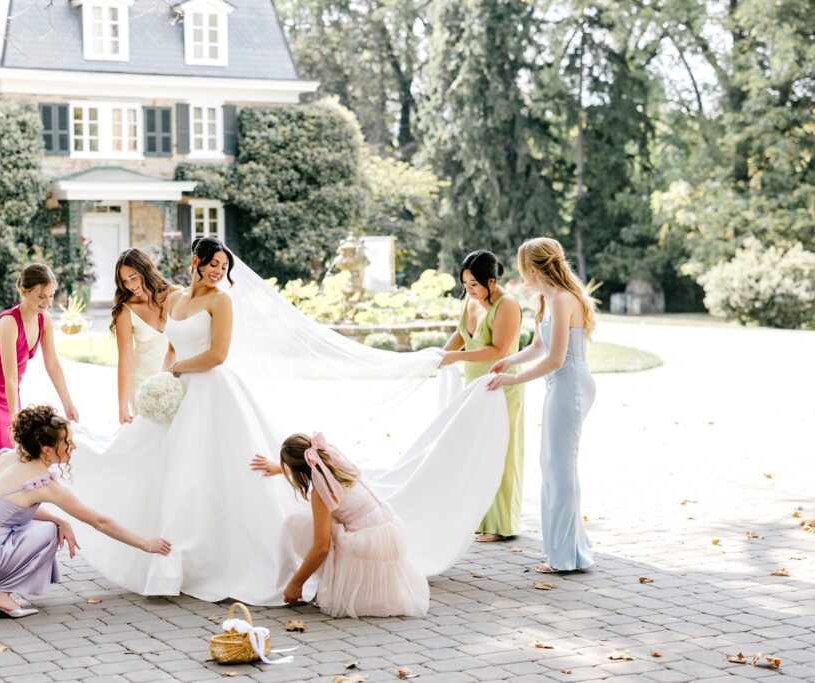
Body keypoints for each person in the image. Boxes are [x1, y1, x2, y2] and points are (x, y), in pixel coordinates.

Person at [69, 237, 512, 605]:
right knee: (171, 472)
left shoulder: (222, 302)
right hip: (182, 393)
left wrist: (181, 370)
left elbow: (218, 355)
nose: (217, 272)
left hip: (214, 392)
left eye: (223, 266)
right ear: (195, 263)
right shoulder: (179, 300)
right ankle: (168, 552)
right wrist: (166, 377)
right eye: (211, 265)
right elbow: (173, 346)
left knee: (215, 474)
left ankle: (218, 555)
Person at [0, 405, 171, 618]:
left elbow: (3, 509)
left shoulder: (5, 458)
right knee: (49, 531)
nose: (74, 446)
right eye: (68, 442)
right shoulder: (43, 484)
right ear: (47, 450)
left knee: (50, 523)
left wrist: (62, 520)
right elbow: (99, 522)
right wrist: (146, 544)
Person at [487, 237, 597, 573]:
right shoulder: (547, 299)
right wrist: (509, 362)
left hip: (571, 386)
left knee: (560, 469)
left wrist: (514, 380)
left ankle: (566, 557)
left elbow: (556, 358)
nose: (524, 276)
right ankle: (567, 550)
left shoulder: (564, 299)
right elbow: (537, 347)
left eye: (524, 269)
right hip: (558, 387)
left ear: (533, 268)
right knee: (550, 464)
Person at [250, 433, 429, 618]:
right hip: (388, 536)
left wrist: (296, 583)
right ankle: (365, 585)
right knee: (321, 521)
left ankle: (350, 586)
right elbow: (312, 466)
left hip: (368, 543)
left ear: (297, 471)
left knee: (299, 523)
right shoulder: (340, 465)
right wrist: (279, 468)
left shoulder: (320, 493)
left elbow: (321, 547)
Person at [0, 264, 79, 486]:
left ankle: (9, 517)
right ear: (23, 292)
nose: (47, 302)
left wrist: (68, 403)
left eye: (51, 296)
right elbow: (11, 377)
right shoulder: (9, 322)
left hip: (9, 396)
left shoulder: (44, 320)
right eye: (41, 296)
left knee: (15, 464)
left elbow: (52, 364)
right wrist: (16, 422)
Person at [440, 250, 525, 542]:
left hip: (501, 386)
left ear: (491, 281)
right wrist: (442, 354)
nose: (468, 290)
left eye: (473, 284)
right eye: (465, 284)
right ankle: (477, 516)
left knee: (500, 450)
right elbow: (461, 335)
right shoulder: (470, 300)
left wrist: (453, 357)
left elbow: (498, 350)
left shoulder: (508, 306)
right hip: (473, 384)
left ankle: (500, 524)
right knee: (474, 450)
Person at [110, 248, 177, 423]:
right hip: (141, 385)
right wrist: (122, 405)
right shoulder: (125, 310)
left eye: (133, 277)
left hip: (173, 381)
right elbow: (125, 361)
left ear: (145, 270)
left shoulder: (175, 294)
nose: (130, 285)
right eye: (125, 281)